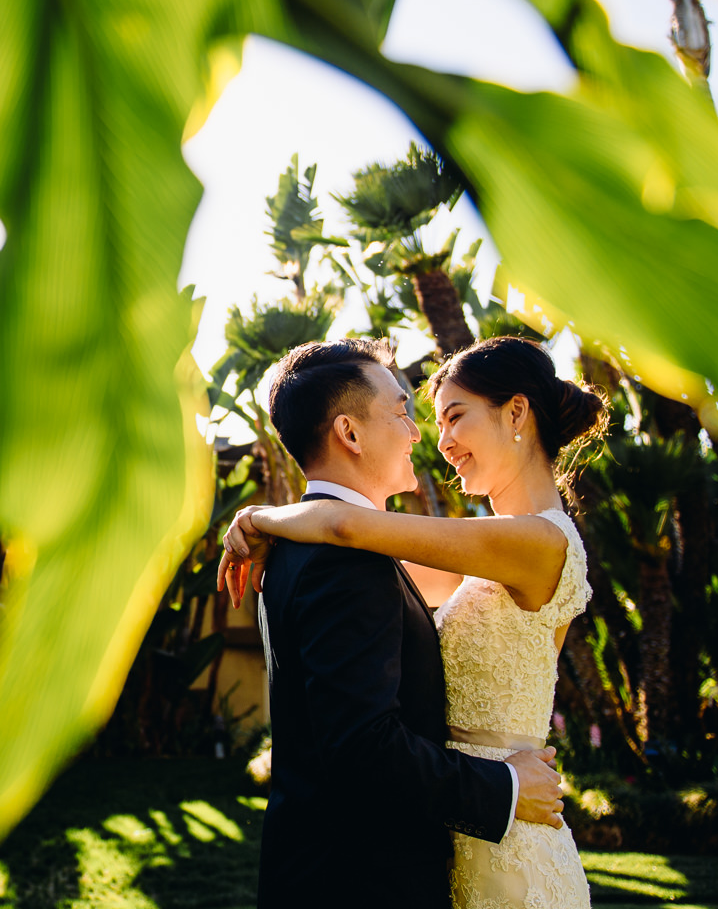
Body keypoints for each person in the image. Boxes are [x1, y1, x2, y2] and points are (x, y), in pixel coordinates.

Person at [215, 337, 596, 908]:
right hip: (457, 823)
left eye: (453, 417)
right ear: (349, 432)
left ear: (517, 412)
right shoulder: (447, 560)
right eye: (414, 415)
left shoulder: (539, 542)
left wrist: (260, 515)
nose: (433, 440)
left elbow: (350, 531)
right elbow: (368, 554)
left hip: (506, 826)